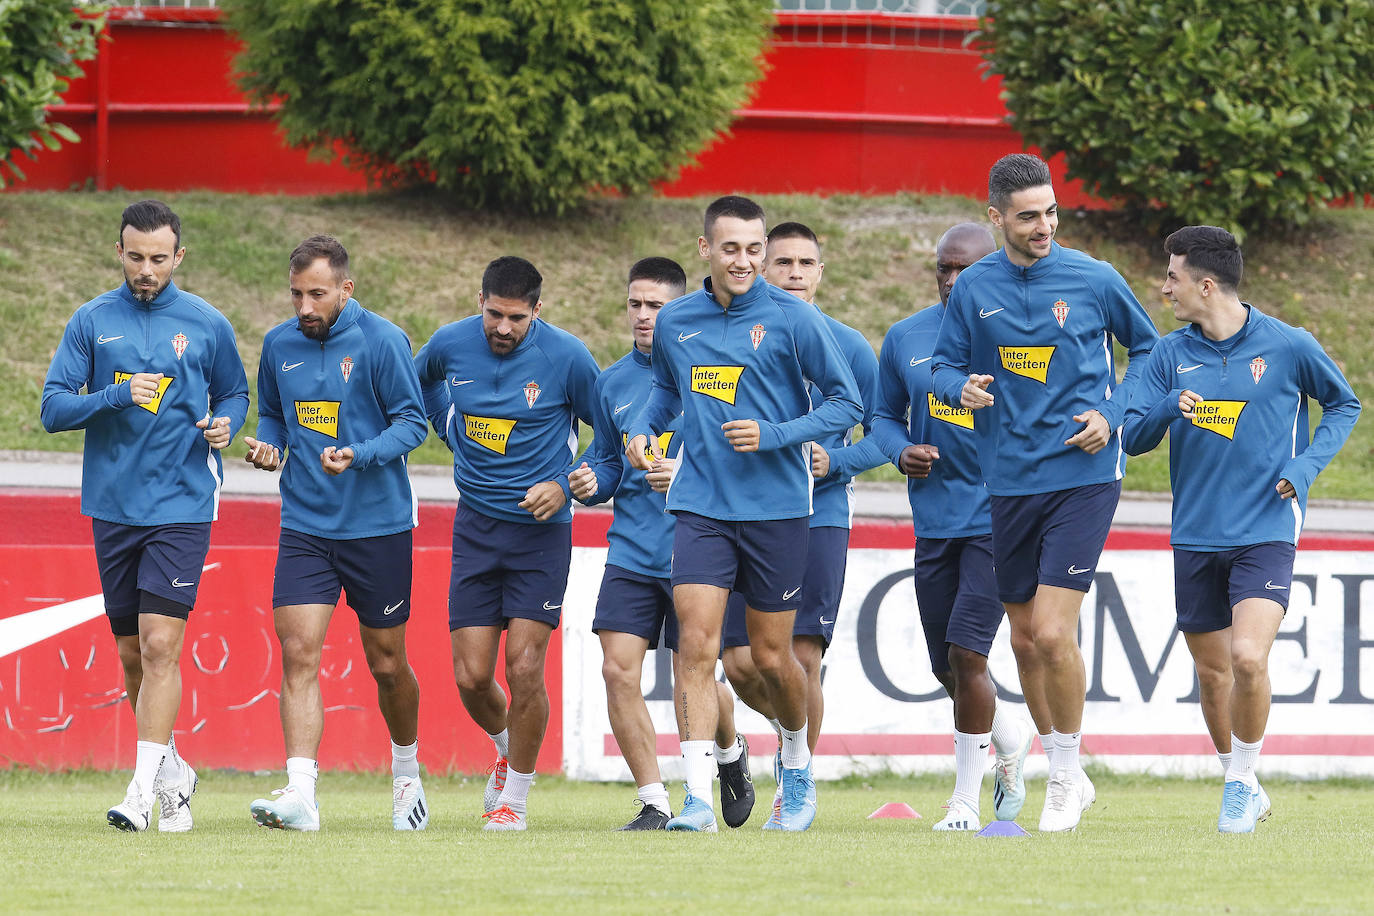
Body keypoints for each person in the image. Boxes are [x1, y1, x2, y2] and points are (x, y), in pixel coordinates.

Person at [931, 154, 1158, 831]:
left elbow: (1150, 351)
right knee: (1026, 640)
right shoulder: (974, 290)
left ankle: (1063, 774)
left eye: (1051, 212)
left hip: (1084, 477)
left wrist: (1112, 415)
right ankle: (1067, 766)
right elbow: (943, 365)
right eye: (1029, 216)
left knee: (1054, 632)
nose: (1044, 226)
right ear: (996, 217)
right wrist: (958, 388)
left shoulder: (1094, 277)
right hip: (1009, 482)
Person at [626, 196, 862, 832]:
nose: (745, 261)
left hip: (778, 510)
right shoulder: (677, 321)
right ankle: (698, 799)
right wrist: (645, 430)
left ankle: (796, 760)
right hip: (700, 503)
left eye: (754, 249)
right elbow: (666, 391)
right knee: (696, 647)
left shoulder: (793, 320)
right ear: (706, 249)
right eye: (731, 248)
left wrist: (777, 434)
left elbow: (847, 405)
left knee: (771, 656)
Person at [1123, 226, 1359, 833]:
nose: (1165, 287)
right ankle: (1242, 776)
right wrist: (1167, 404)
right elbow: (1132, 436)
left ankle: (1238, 783)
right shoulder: (1170, 353)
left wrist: (1303, 467)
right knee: (1212, 673)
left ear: (1206, 284)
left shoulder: (1288, 344)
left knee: (1248, 657)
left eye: (1172, 276)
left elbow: (1344, 404)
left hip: (1266, 526)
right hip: (1196, 532)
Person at [40, 199, 249, 832]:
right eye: (136, 256)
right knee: (133, 655)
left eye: (159, 258)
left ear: (178, 257)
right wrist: (113, 393)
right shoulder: (91, 321)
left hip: (183, 504)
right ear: (119, 251)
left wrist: (225, 425)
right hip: (113, 506)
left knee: (162, 645)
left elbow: (237, 393)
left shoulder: (207, 323)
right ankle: (174, 773)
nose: (146, 269)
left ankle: (138, 791)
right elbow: (53, 408)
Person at [243, 236, 430, 832]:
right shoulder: (278, 344)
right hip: (305, 524)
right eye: (296, 293)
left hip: (378, 527)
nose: (304, 306)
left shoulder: (382, 340)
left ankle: (406, 777)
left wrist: (363, 453)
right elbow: (273, 412)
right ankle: (301, 793)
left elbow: (413, 423)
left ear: (346, 290)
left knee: (387, 662)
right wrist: (271, 445)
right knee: (298, 652)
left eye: (316, 294)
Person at [415, 255, 600, 831]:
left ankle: (513, 798)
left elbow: (612, 436)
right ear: (480, 301)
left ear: (537, 311)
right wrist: (447, 424)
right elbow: (413, 387)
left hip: (541, 536)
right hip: (475, 528)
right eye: (495, 314)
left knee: (523, 667)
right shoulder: (448, 344)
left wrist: (566, 483)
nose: (503, 327)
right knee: (471, 677)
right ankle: (507, 744)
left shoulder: (567, 357)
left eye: (517, 318)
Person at [568, 257, 754, 830]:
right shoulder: (612, 382)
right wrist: (591, 479)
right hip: (630, 551)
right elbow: (604, 459)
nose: (644, 316)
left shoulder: (719, 368)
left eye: (656, 306)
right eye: (635, 304)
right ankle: (654, 800)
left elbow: (746, 455)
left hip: (699, 548)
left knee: (696, 674)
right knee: (616, 670)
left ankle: (730, 752)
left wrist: (689, 474)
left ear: (679, 311)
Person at [867, 222, 1033, 831]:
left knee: (968, 650)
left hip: (999, 517)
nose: (953, 280)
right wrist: (899, 451)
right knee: (945, 663)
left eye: (966, 269)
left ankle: (965, 798)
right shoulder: (906, 337)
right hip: (934, 520)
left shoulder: (1019, 337)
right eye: (944, 267)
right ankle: (1010, 734)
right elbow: (882, 417)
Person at [718, 221, 880, 828]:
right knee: (739, 662)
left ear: (820, 272)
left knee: (801, 654)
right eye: (781, 262)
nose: (793, 273)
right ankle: (797, 746)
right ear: (762, 268)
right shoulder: (739, 335)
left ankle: (796, 783)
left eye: (804, 263)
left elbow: (886, 431)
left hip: (821, 515)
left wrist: (836, 461)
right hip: (746, 512)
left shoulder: (849, 345)